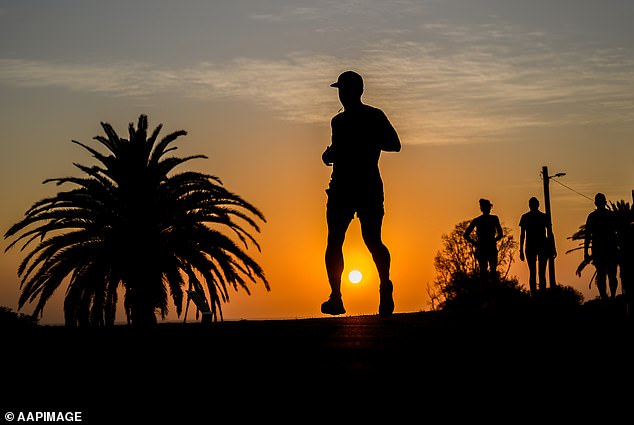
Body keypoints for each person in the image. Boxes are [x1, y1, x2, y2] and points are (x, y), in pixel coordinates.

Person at [321, 70, 401, 317]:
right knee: (335, 240)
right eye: (340, 91)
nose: (342, 96)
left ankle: (385, 284)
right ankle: (336, 297)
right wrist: (330, 155)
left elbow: (394, 144)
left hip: (366, 186)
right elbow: (336, 151)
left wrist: (366, 142)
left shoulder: (374, 116)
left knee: (372, 240)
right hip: (341, 187)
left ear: (355, 91)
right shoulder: (338, 122)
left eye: (344, 90)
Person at [584, 192, 619, 300]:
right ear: (604, 202)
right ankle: (610, 297)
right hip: (609, 250)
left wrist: (586, 253)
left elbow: (587, 236)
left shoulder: (593, 216)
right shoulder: (611, 215)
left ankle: (606, 298)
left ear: (596, 203)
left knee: (603, 275)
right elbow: (588, 235)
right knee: (610, 275)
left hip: (601, 250)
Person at [464, 198, 503, 288]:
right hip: (486, 248)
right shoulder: (490, 219)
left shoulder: (479, 220)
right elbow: (500, 234)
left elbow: (466, 235)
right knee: (487, 271)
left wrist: (475, 243)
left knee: (486, 271)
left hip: (485, 247)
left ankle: (488, 292)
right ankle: (489, 292)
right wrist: (476, 243)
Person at [519, 197, 555, 296]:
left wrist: (553, 247)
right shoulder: (538, 216)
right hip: (535, 246)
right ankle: (535, 294)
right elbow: (522, 235)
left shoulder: (530, 217)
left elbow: (550, 233)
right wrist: (521, 250)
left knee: (536, 273)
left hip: (540, 246)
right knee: (537, 273)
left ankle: (536, 294)